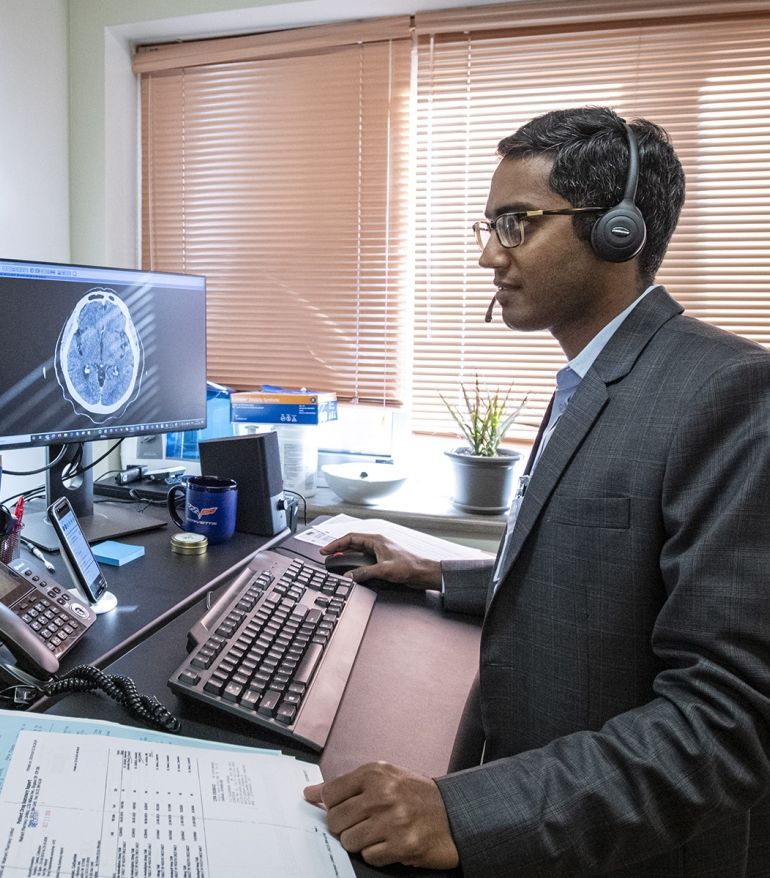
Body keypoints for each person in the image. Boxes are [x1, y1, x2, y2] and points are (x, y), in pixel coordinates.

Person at [303, 107, 770, 876]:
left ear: (618, 232)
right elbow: (610, 572)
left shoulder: (726, 392)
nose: (490, 254)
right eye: (488, 226)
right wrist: (436, 575)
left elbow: (726, 722)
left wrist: (465, 811)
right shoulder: (593, 378)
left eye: (517, 224)